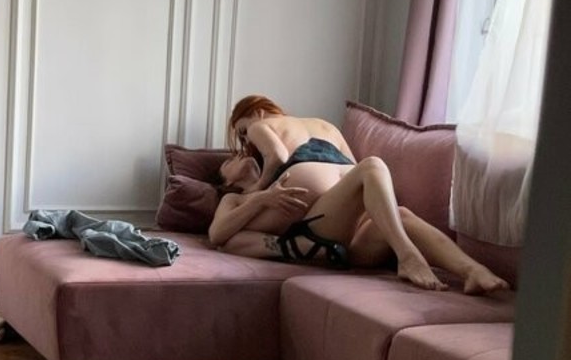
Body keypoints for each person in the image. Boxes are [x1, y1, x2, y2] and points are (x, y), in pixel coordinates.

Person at [208, 94, 508, 295]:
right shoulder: (234, 198)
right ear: (227, 182)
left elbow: (350, 169)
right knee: (372, 166)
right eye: (229, 160)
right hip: (318, 233)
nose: (244, 147)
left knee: (400, 211)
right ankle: (407, 255)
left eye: (243, 132)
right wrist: (261, 194)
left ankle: (472, 270)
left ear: (257, 112)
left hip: (350, 237)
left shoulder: (269, 133)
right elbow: (219, 235)